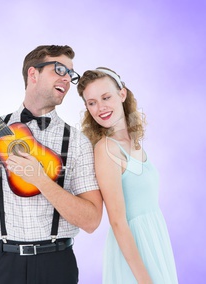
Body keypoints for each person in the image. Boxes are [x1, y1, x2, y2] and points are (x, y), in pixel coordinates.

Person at [0, 45, 103, 284]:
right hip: (3, 264)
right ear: (33, 74)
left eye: (71, 75)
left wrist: (41, 180)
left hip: (57, 264)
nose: (67, 79)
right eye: (60, 69)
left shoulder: (77, 142)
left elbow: (92, 221)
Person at [77, 67, 178, 283]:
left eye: (106, 97)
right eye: (91, 102)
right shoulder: (106, 149)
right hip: (133, 254)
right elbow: (117, 222)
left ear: (122, 94)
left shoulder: (134, 144)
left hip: (154, 243)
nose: (100, 108)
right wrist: (144, 279)